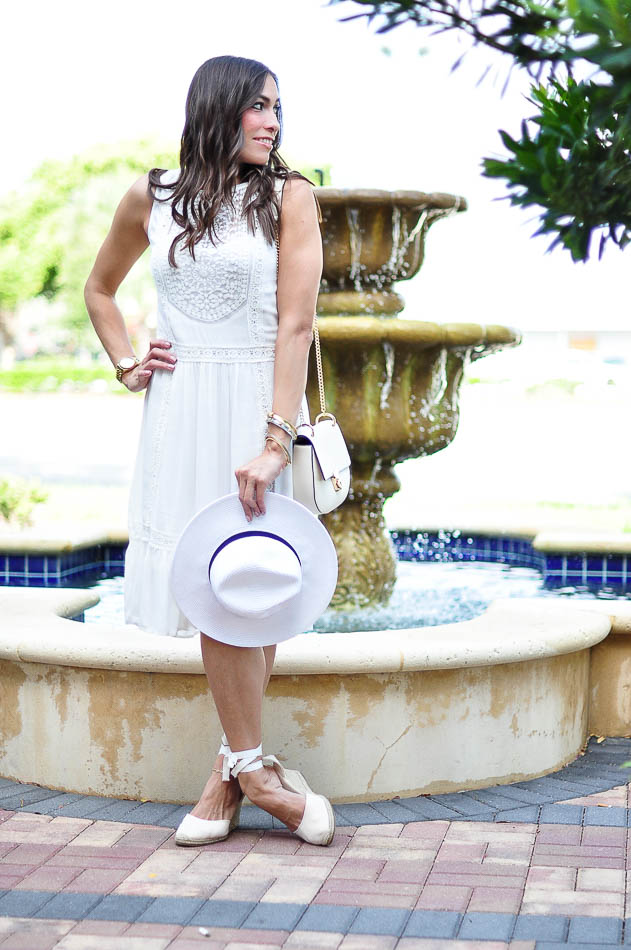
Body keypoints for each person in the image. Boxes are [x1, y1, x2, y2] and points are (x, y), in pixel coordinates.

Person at [84, 55, 334, 846]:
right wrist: (128, 363)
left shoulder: (292, 198)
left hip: (252, 412)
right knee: (211, 588)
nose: (271, 120)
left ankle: (241, 774)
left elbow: (296, 326)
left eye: (276, 108)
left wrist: (273, 441)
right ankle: (244, 773)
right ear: (216, 109)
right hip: (178, 410)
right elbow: (100, 289)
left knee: (246, 586)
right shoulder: (149, 196)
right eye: (257, 106)